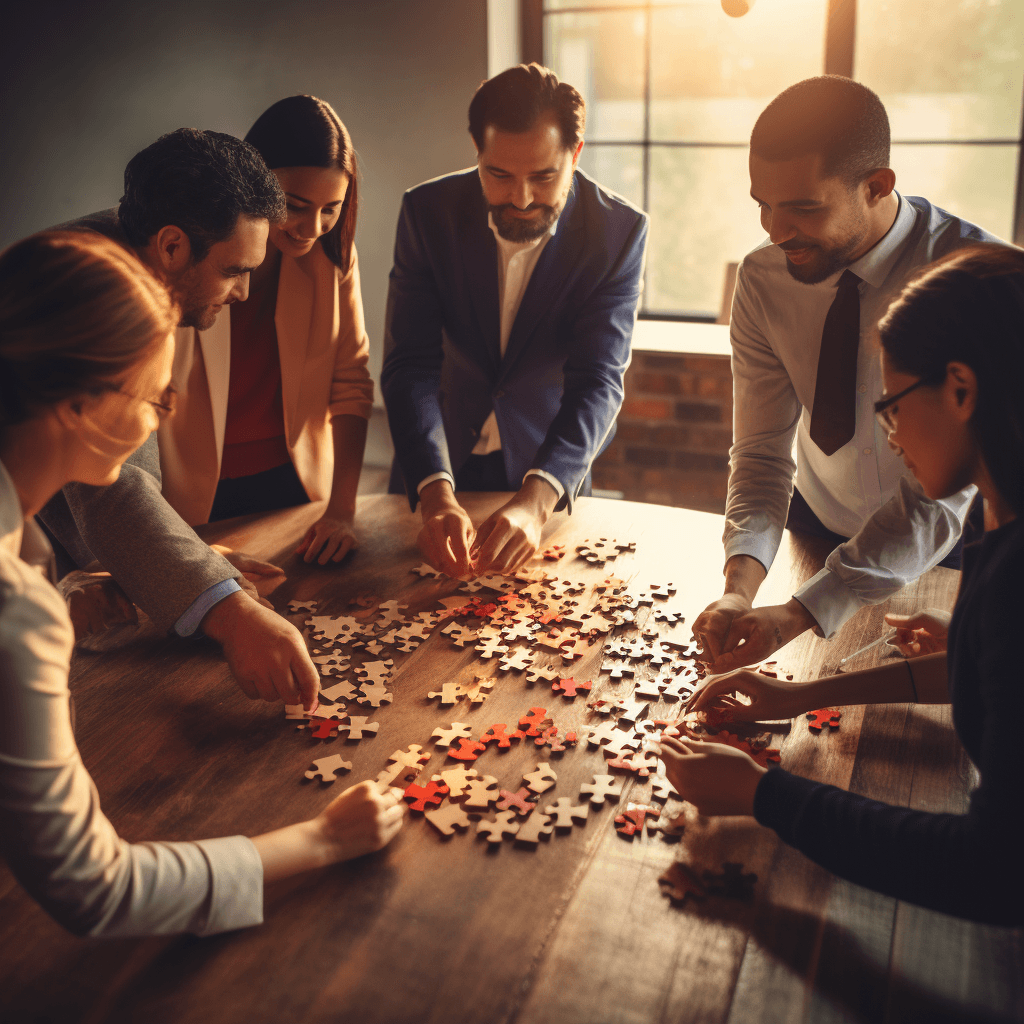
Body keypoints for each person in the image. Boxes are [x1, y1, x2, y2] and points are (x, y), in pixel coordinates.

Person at [0, 231, 405, 937]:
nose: (169, 412)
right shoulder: (16, 613)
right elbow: (101, 889)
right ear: (77, 405)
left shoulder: (27, 574)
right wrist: (323, 839)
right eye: (157, 394)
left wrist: (67, 602)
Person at [663, 245, 1024, 925]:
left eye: (891, 405)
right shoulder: (992, 512)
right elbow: (995, 679)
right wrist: (801, 694)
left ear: (962, 389)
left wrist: (763, 794)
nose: (889, 437)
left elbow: (992, 871)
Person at [691, 77, 1004, 675]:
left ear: (878, 185)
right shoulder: (763, 278)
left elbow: (939, 498)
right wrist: (739, 587)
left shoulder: (970, 278)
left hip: (950, 541)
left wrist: (804, 610)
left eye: (804, 207)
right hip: (815, 525)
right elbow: (759, 454)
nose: (776, 230)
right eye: (763, 203)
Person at [37, 129, 321, 710]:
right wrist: (231, 612)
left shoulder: (131, 259)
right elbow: (108, 486)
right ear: (171, 246)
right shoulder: (92, 298)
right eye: (234, 270)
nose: (243, 292)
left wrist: (192, 564)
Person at [381, 63, 648, 577]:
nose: (521, 199)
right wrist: (435, 491)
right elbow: (410, 363)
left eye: (543, 176)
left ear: (575, 154)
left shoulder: (618, 233)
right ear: (477, 153)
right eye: (498, 175)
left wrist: (538, 498)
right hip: (437, 455)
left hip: (546, 468)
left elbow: (598, 379)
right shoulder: (425, 211)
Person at [159, 96, 373, 567]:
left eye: (331, 209)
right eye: (295, 205)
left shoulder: (332, 258)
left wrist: (342, 511)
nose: (311, 228)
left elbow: (351, 383)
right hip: (193, 492)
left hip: (296, 485)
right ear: (256, 182)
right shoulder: (194, 254)